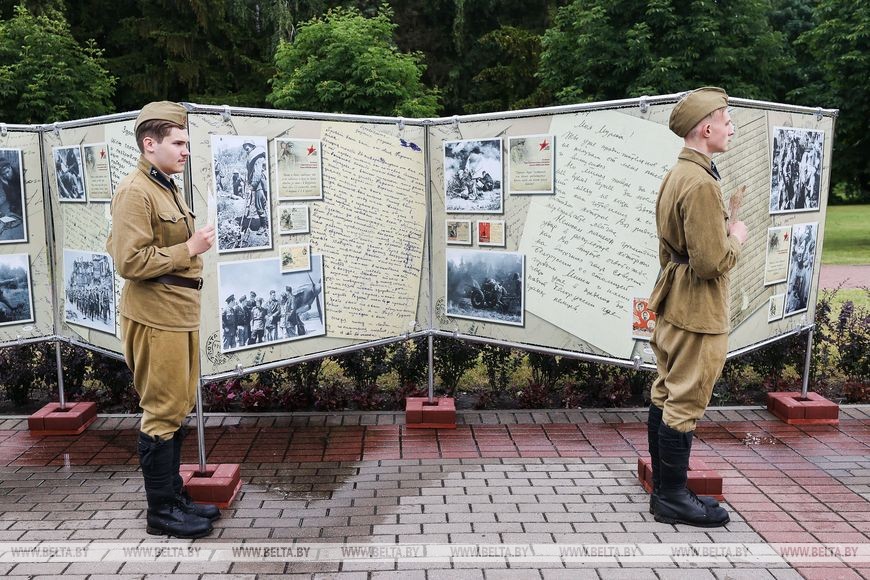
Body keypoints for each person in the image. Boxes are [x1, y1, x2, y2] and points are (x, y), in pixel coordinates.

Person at [106, 101, 219, 539]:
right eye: (179, 142)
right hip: (157, 317)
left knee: (175, 407)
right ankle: (161, 513)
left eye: (186, 142)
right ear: (149, 144)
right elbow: (128, 260)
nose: (186, 150)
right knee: (161, 411)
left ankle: (174, 498)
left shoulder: (163, 186)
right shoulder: (136, 191)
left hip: (177, 311)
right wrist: (188, 248)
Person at [647, 87, 748, 528]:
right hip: (698, 309)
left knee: (666, 390)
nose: (731, 128)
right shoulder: (702, 183)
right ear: (706, 128)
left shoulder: (677, 174)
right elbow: (710, 262)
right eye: (726, 121)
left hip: (674, 301)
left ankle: (669, 491)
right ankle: (670, 498)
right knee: (685, 400)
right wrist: (736, 237)